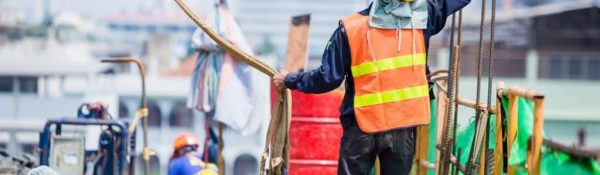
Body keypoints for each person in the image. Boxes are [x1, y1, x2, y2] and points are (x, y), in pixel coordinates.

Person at [273, 0, 470, 174]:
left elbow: (327, 79)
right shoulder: (422, 19)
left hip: (361, 127)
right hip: (402, 128)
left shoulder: (349, 28)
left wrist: (290, 79)